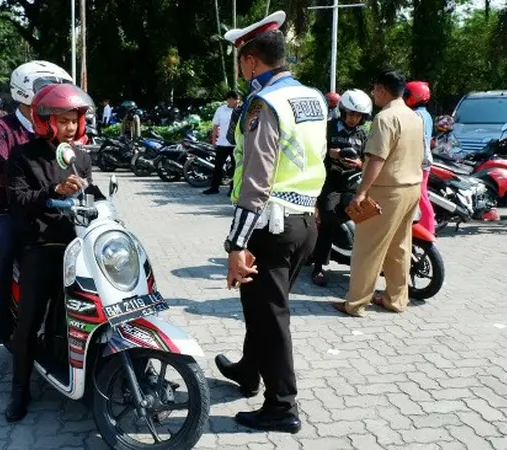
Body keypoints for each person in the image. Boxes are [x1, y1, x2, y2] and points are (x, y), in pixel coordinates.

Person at [215, 10, 327, 434]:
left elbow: (257, 181)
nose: (241, 67)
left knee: (271, 315)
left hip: (270, 225)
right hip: (303, 221)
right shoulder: (311, 96)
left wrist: (235, 245)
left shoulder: (265, 104)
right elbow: (316, 157)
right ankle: (248, 370)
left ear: (251, 61)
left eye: (241, 59)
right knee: (261, 308)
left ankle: (281, 405)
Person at [5, 83, 104, 422]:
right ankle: (19, 388)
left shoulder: (80, 156)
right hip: (42, 244)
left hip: (79, 245)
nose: (69, 128)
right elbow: (17, 203)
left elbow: (95, 197)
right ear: (44, 120)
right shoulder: (23, 157)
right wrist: (53, 190)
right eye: (62, 121)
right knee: (30, 319)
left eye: (73, 121)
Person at [0, 61, 74, 346]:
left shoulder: (55, 127)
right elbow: (0, 172)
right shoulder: (0, 128)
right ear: (24, 92)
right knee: (6, 244)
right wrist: (48, 189)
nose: (53, 96)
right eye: (46, 89)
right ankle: (1, 316)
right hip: (11, 210)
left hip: (58, 208)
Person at [333, 70, 424, 318]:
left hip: (387, 192)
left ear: (382, 90)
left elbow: (376, 160)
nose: (373, 94)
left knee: (367, 249)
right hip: (411, 188)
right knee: (399, 247)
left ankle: (355, 303)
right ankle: (396, 300)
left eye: (374, 90)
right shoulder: (414, 117)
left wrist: (361, 193)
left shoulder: (385, 119)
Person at [311, 89, 372, 287]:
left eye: (358, 115)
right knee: (328, 219)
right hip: (331, 184)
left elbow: (368, 161)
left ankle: (362, 263)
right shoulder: (328, 128)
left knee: (366, 218)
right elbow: (314, 153)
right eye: (351, 114)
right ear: (343, 111)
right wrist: (332, 155)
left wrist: (359, 164)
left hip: (354, 184)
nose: (353, 119)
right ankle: (318, 266)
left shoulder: (363, 134)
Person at [404, 80, 436, 234]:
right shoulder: (425, 114)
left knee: (421, 197)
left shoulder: (416, 115)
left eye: (406, 94)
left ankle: (428, 230)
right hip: (423, 161)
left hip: (419, 162)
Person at [203, 91, 241, 195]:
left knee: (235, 168)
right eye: (235, 99)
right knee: (218, 167)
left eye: (238, 99)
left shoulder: (241, 111)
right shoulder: (221, 110)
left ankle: (233, 190)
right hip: (222, 143)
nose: (237, 101)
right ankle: (214, 188)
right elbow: (215, 126)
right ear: (229, 99)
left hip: (236, 145)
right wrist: (214, 140)